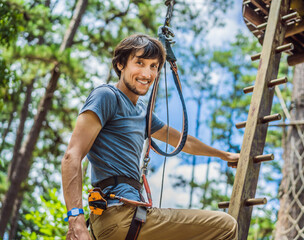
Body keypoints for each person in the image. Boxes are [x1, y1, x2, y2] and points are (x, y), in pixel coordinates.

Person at [61, 34, 239, 240]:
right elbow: (71, 156)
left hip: (129, 217)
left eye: (153, 66)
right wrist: (76, 222)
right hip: (120, 216)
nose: (147, 73)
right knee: (225, 226)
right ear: (120, 64)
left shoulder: (142, 112)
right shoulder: (107, 96)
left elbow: (183, 141)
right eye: (140, 63)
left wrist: (225, 155)